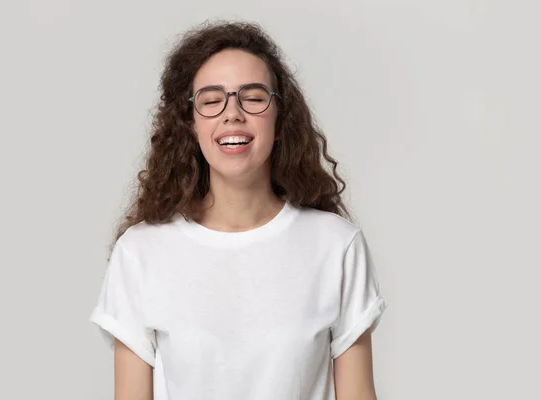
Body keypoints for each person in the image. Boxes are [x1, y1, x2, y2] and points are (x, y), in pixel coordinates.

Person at [90, 20, 388, 400]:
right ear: (190, 125)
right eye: (212, 100)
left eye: (253, 97)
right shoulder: (139, 253)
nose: (232, 114)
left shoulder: (337, 247)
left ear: (281, 119)